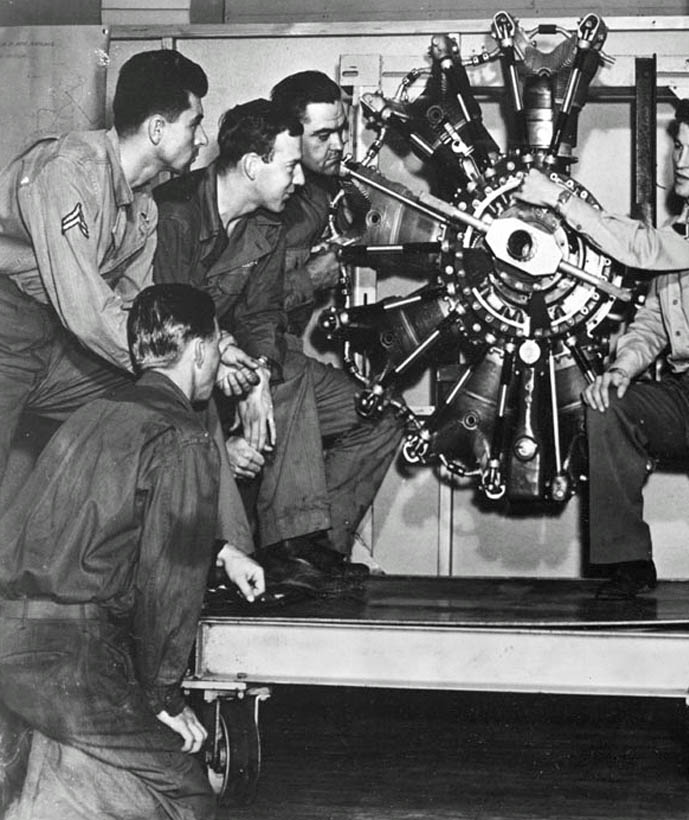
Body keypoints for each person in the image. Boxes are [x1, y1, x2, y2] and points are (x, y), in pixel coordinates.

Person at [514, 90, 689, 726]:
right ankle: (627, 564)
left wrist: (557, 198)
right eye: (679, 146)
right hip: (683, 394)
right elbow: (652, 316)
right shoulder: (684, 230)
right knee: (607, 406)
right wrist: (620, 368)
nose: (683, 160)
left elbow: (643, 252)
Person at [0, 283, 264, 820]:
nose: (216, 357)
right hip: (70, 651)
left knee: (71, 781)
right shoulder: (184, 436)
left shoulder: (94, 412)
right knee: (187, 793)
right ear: (197, 351)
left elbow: (97, 520)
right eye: (216, 343)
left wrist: (220, 550)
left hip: (14, 638)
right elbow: (169, 586)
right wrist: (164, 699)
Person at [0, 47, 259, 556]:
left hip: (58, 347)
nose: (203, 138)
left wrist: (208, 348)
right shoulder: (67, 171)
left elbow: (138, 309)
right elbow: (88, 308)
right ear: (158, 129)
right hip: (6, 338)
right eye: (195, 122)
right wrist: (171, 355)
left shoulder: (144, 208)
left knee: (181, 388)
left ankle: (222, 554)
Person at [154, 98, 404, 578]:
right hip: (186, 363)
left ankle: (310, 548)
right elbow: (176, 329)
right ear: (252, 165)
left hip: (236, 357)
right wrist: (231, 404)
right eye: (291, 166)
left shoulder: (266, 223)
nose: (302, 178)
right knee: (239, 395)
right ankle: (248, 556)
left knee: (366, 409)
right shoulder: (176, 215)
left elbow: (263, 315)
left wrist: (261, 375)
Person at [269, 70, 367, 328]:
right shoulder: (263, 200)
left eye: (342, 129)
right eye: (323, 136)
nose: (339, 144)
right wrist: (311, 279)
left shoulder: (327, 186)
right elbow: (237, 310)